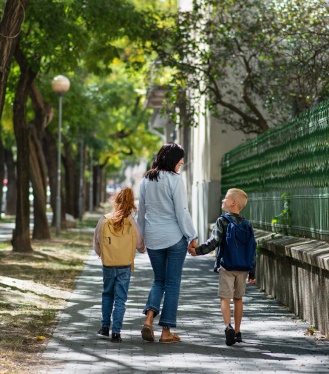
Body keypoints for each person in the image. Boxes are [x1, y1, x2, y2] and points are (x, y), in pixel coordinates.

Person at [137, 142, 198, 343]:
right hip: (174, 239)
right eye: (180, 158)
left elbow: (142, 213)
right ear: (172, 159)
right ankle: (166, 332)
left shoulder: (147, 179)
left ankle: (149, 320)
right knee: (172, 284)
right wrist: (192, 236)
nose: (182, 161)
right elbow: (182, 211)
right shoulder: (175, 180)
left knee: (158, 280)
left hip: (153, 238)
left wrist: (141, 238)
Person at [188, 188, 256, 346]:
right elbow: (252, 249)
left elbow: (214, 242)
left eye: (225, 198)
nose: (222, 200)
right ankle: (238, 332)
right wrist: (252, 272)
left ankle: (228, 327)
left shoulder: (222, 221)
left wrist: (197, 251)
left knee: (225, 298)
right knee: (238, 299)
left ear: (233, 203)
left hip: (227, 266)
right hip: (243, 268)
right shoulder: (247, 224)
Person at [94, 187, 146, 343]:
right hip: (125, 265)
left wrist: (103, 255)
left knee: (107, 294)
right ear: (131, 205)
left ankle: (104, 327)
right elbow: (140, 246)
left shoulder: (104, 219)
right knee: (121, 299)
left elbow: (97, 242)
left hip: (108, 264)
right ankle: (116, 332)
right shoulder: (131, 222)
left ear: (115, 201)